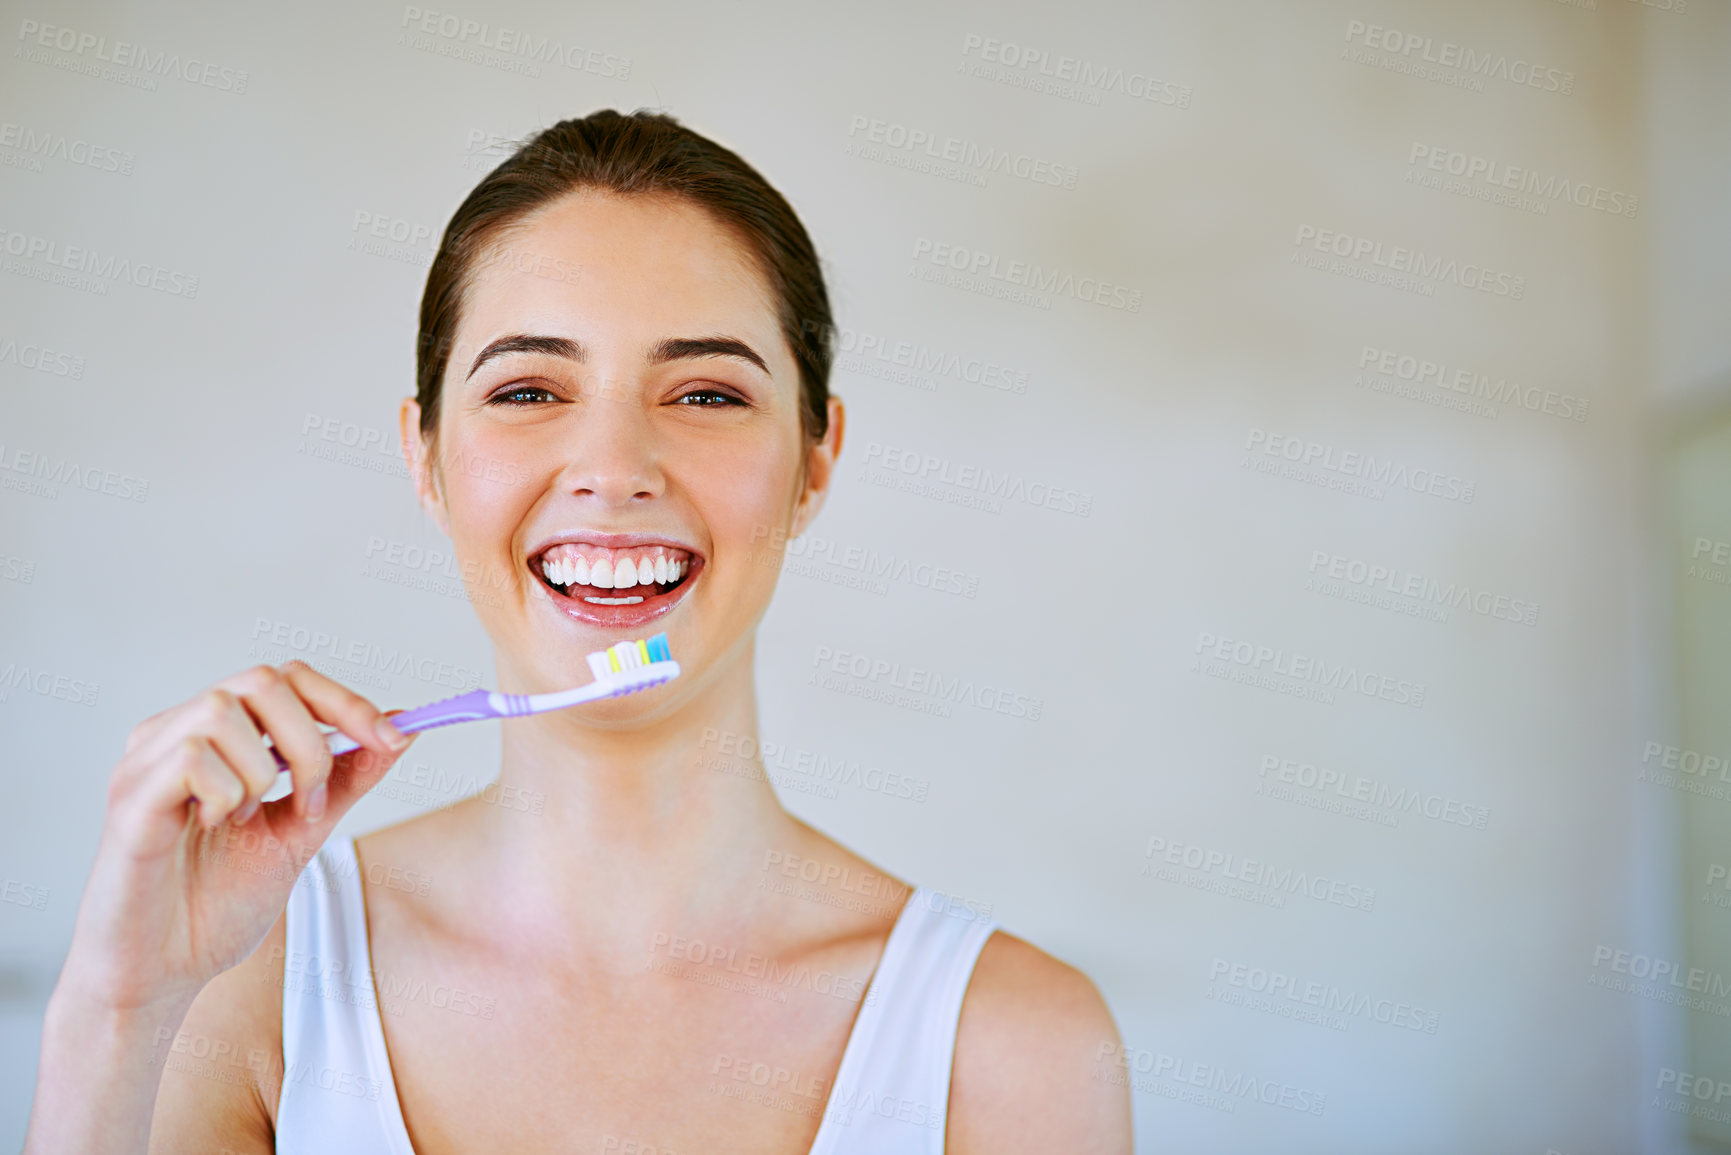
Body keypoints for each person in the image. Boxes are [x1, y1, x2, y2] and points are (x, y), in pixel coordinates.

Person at [25, 108, 1131, 1154]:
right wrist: (117, 1012)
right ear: (426, 457)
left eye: (705, 395)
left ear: (815, 460)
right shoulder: (245, 989)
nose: (613, 472)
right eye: (527, 391)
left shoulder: (1012, 1046)